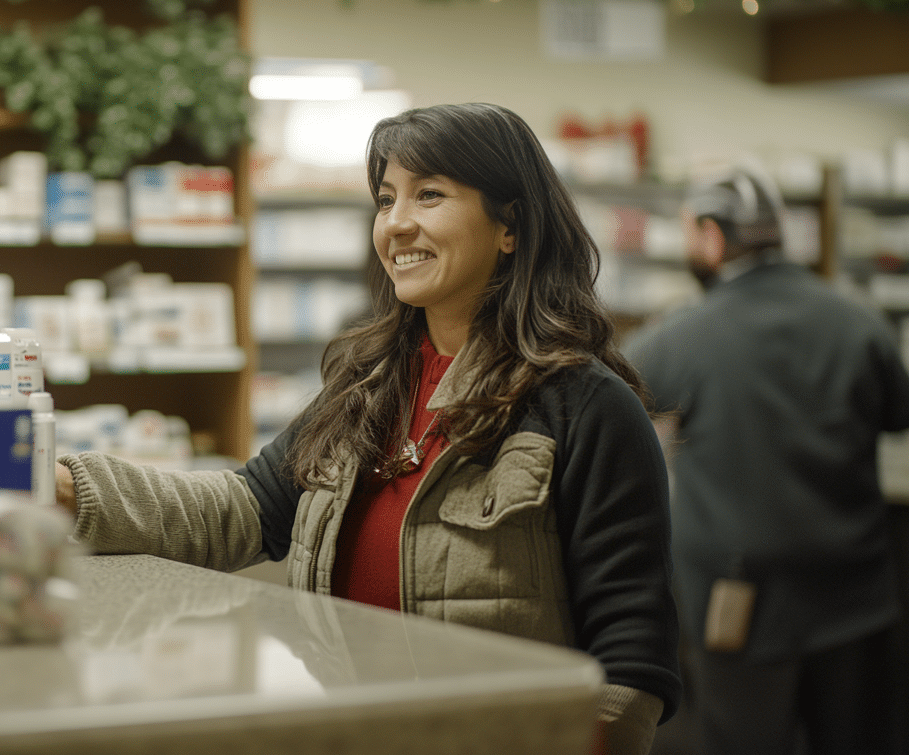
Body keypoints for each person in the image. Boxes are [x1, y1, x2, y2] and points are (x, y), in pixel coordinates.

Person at [56, 103, 681, 753]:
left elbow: (630, 664)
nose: (397, 223)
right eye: (386, 200)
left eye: (429, 195)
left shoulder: (582, 405)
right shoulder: (366, 388)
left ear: (511, 227)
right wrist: (65, 487)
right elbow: (241, 509)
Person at [624, 167, 909, 753]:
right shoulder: (858, 321)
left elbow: (611, 415)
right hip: (854, 595)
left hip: (740, 604)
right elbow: (896, 415)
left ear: (710, 236)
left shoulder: (678, 336)